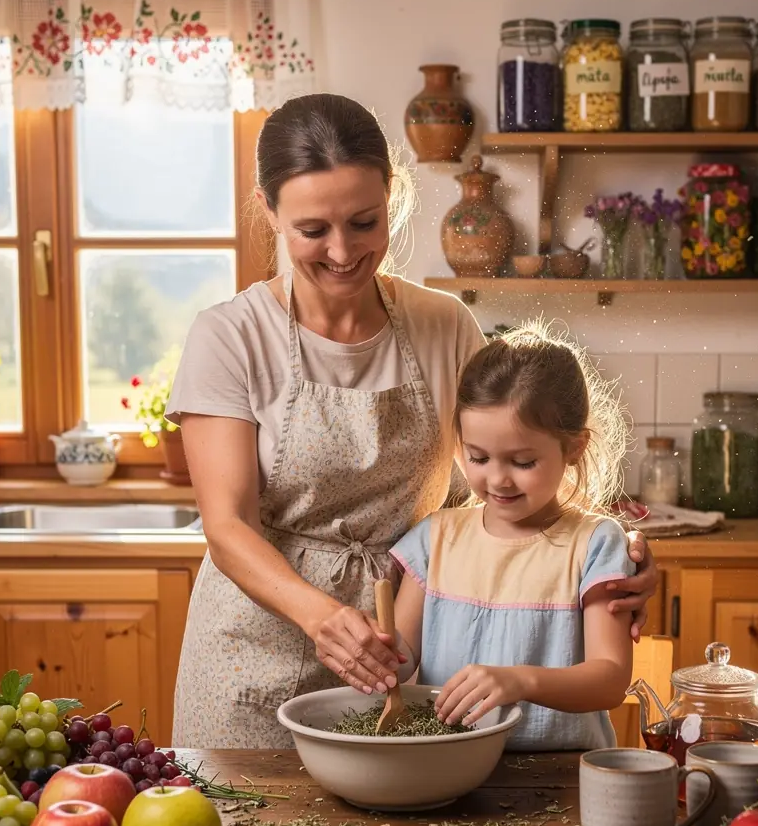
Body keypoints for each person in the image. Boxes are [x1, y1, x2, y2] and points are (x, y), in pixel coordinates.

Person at [164, 92, 659, 749]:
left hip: (407, 648)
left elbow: (505, 464)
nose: (343, 252)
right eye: (314, 230)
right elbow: (227, 526)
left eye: (364, 222)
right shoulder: (231, 336)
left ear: (391, 197)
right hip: (254, 652)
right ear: (269, 210)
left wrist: (601, 558)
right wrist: (321, 617)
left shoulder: (442, 323)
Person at [389, 323, 634, 750]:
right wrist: (378, 654)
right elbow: (400, 656)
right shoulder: (434, 539)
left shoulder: (594, 545)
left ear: (574, 448)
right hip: (451, 770)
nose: (497, 479)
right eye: (478, 457)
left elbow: (610, 680)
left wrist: (520, 680)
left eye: (522, 461)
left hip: (560, 775)